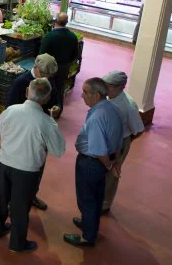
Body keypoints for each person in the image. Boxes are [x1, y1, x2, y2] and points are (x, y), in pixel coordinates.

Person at [0, 78, 66, 253]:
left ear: (27, 91)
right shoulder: (46, 122)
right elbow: (58, 150)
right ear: (47, 98)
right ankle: (17, 244)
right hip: (27, 169)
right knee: (20, 205)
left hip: (5, 162)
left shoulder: (11, 110)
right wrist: (53, 121)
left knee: (0, 198)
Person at [64, 78, 123, 248]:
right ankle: (90, 223)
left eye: (85, 92)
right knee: (96, 197)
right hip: (102, 163)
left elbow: (98, 151)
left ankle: (87, 237)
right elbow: (119, 139)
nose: (82, 96)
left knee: (87, 200)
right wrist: (115, 161)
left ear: (97, 95)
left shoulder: (97, 117)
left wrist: (109, 166)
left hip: (91, 163)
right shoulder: (113, 108)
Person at [7, 54, 58, 211]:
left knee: (38, 168)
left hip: (41, 134)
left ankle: (31, 195)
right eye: (44, 75)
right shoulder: (20, 83)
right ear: (36, 68)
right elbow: (10, 110)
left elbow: (56, 98)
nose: (47, 79)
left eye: (49, 76)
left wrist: (56, 108)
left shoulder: (49, 82)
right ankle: (12, 202)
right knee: (18, 170)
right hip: (23, 136)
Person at [101, 71, 145, 213]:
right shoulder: (109, 98)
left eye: (106, 86)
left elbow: (139, 130)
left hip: (119, 143)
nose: (103, 88)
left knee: (111, 174)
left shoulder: (127, 106)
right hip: (105, 140)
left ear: (117, 87)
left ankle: (104, 205)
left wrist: (126, 143)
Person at [39, 12, 79, 117]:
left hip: (49, 67)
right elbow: (76, 55)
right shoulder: (72, 37)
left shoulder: (49, 36)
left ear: (55, 21)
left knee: (47, 88)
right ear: (66, 22)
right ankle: (58, 110)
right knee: (60, 88)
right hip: (64, 67)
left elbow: (41, 55)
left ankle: (46, 111)